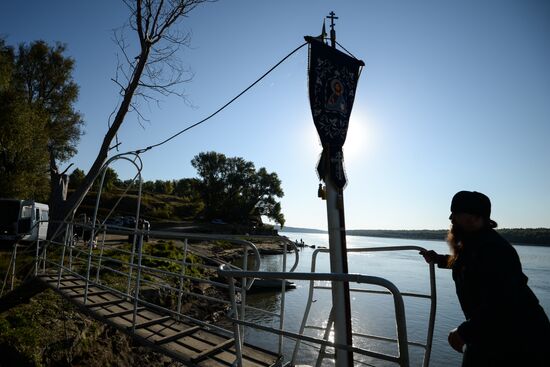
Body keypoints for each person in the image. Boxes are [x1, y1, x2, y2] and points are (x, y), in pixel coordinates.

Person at [421, 191, 550, 366]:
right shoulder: (475, 243)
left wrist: (464, 331)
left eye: (456, 213)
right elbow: (465, 264)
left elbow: (505, 302)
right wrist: (439, 259)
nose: (451, 218)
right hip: (495, 331)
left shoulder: (495, 249)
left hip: (519, 337)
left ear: (474, 217)